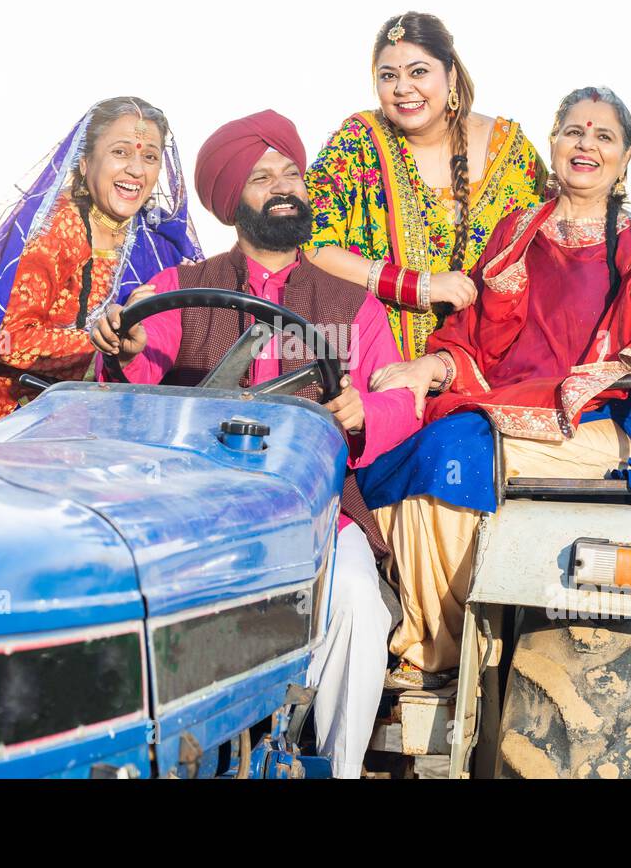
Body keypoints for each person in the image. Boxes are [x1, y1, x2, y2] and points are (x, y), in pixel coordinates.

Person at [91, 110, 421, 777]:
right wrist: (124, 349)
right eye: (261, 176)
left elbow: (400, 399)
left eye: (290, 173)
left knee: (356, 598)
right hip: (195, 511)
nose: (282, 186)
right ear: (230, 202)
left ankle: (339, 767)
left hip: (319, 509)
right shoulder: (179, 288)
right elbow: (136, 367)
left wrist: (366, 409)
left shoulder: (354, 304)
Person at [360, 88, 631, 689]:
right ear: (552, 143)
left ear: (627, 158)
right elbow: (473, 338)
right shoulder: (517, 233)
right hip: (497, 417)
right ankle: (429, 630)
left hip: (594, 425)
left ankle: (433, 657)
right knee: (395, 457)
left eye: (604, 136)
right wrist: (427, 369)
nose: (586, 144)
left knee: (450, 453)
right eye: (573, 131)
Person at [0, 97, 202, 441]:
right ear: (85, 163)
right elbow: (7, 340)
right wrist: (102, 340)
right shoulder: (54, 231)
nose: (137, 169)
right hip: (23, 421)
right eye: (121, 152)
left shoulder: (159, 242)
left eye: (149, 156)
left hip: (111, 419)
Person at [305, 12, 547, 361]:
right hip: (377, 370)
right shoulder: (358, 143)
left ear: (450, 73)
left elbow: (546, 251)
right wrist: (420, 286)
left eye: (418, 72)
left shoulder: (509, 151)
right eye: (388, 76)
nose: (403, 88)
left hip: (488, 363)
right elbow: (311, 246)